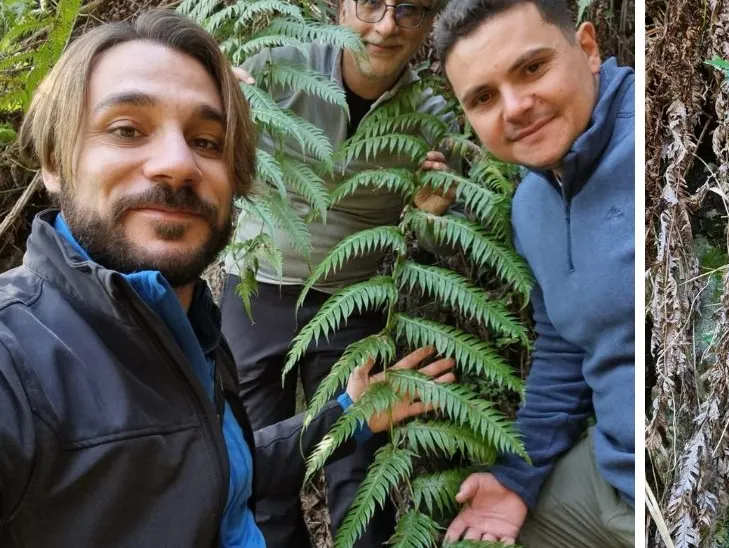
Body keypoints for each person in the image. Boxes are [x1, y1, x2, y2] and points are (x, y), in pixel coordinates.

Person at [0, 10, 453, 547]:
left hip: (350, 297)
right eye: (127, 129)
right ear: (54, 159)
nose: (177, 162)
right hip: (261, 289)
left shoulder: (191, 328)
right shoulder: (18, 358)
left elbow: (221, 463)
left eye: (207, 140)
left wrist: (348, 414)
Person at [218, 0, 458, 545]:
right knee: (258, 457)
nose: (387, 25)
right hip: (256, 288)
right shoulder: (277, 69)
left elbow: (431, 243)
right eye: (371, 3)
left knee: (358, 463)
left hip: (353, 303)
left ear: (429, 24)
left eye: (410, 10)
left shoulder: (431, 118)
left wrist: (427, 214)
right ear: (338, 7)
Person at [433, 1, 635, 546]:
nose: (516, 107)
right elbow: (567, 350)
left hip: (686, 489)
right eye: (483, 98)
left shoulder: (662, 139)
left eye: (532, 68)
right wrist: (516, 478)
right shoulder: (531, 203)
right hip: (611, 473)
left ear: (588, 49)